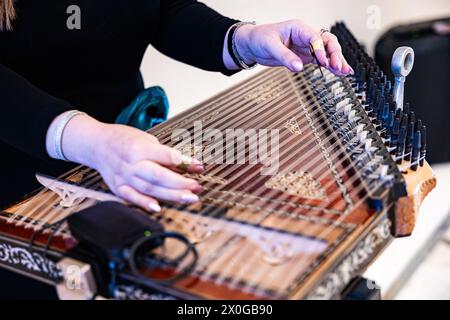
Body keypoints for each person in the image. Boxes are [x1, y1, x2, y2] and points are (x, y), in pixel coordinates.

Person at [0, 0, 352, 298]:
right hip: (18, 183)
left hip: (129, 159)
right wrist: (91, 140)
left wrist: (244, 40)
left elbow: (164, 9)